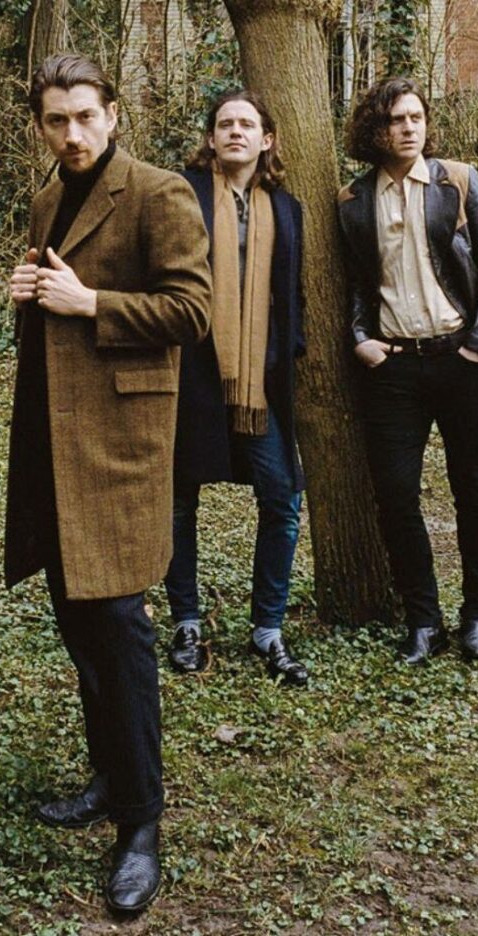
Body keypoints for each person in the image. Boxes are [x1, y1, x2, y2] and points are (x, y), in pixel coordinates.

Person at [4, 54, 210, 913]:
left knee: (121, 633)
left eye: (85, 116)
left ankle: (141, 825)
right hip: (53, 445)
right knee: (79, 626)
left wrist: (89, 302)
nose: (72, 134)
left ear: (114, 114)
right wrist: (29, 294)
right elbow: (52, 310)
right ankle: (107, 776)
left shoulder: (160, 193)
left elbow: (191, 312)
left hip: (123, 451)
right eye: (56, 120)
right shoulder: (48, 198)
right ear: (41, 126)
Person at [337, 77, 478, 666]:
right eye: (395, 119)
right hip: (393, 368)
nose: (408, 128)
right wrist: (360, 338)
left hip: (460, 361)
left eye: (416, 117)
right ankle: (424, 622)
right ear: (375, 129)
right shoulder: (353, 199)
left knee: (473, 490)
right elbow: (355, 282)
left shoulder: (459, 181)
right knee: (396, 496)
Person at [165, 89, 308, 685]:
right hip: (193, 371)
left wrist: (287, 350)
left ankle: (267, 628)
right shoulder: (183, 193)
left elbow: (292, 292)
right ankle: (185, 622)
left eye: (247, 124)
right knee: (178, 500)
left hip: (260, 382)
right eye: (225, 123)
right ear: (211, 137)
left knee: (282, 498)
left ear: (266, 139)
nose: (235, 132)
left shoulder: (287, 208)